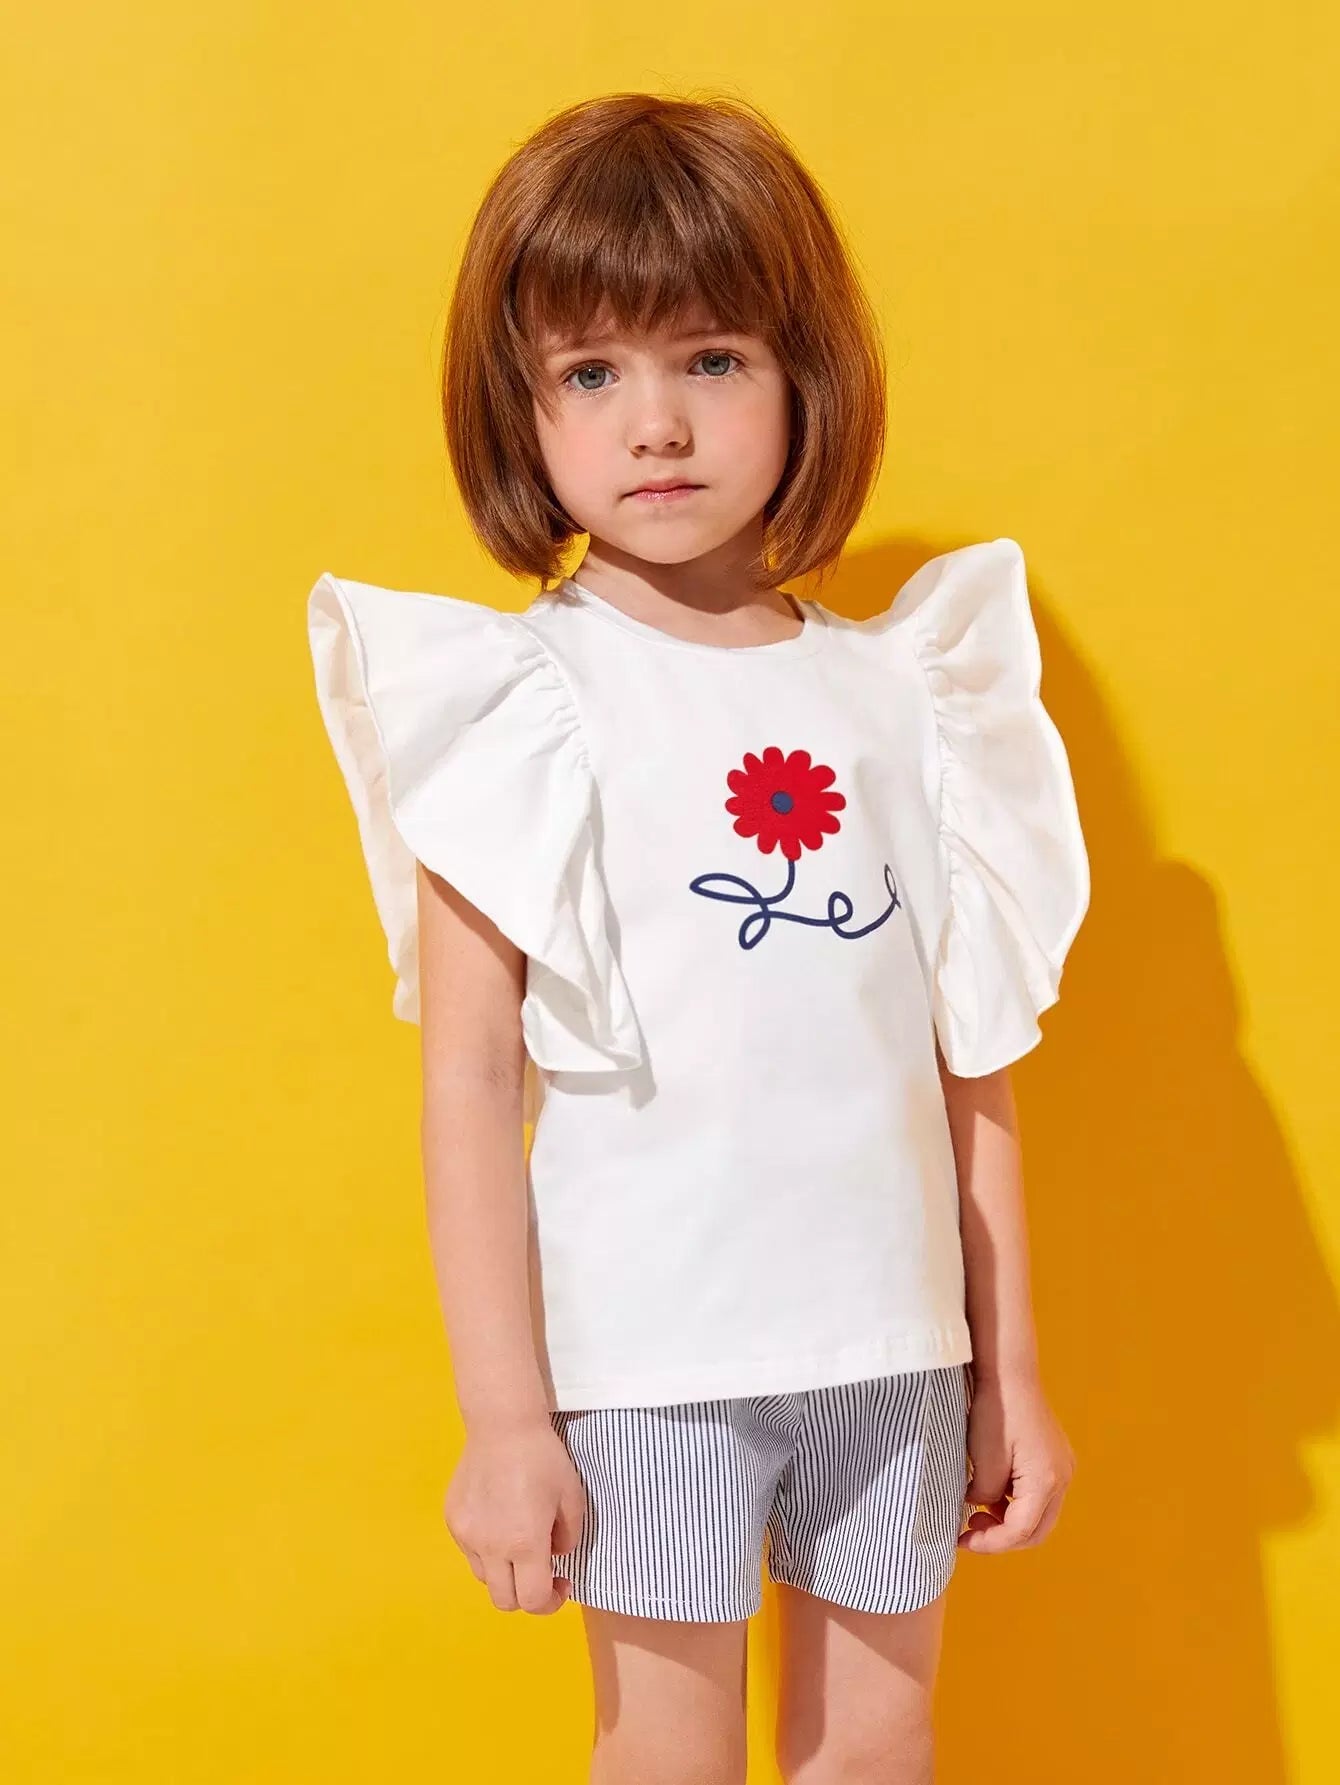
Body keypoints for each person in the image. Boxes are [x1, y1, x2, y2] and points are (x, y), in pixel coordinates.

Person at [306, 90, 1090, 1784]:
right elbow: (470, 1085)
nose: (654, 424)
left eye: (713, 359)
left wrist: (1008, 1369)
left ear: (808, 377)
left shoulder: (909, 695)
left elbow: (970, 1054)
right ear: (520, 410)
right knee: (667, 1756)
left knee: (879, 1744)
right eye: (592, 373)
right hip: (652, 1356)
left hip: (894, 1345)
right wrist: (506, 1418)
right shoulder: (517, 705)